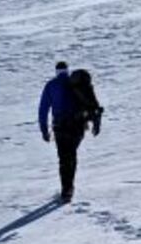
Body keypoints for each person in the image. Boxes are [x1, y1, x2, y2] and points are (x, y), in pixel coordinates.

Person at [38, 61, 104, 203]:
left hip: (60, 127)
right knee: (71, 156)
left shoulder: (51, 85)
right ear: (68, 71)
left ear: (56, 71)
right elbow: (89, 102)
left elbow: (43, 110)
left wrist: (44, 130)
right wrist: (95, 122)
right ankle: (69, 188)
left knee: (64, 159)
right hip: (78, 127)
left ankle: (66, 189)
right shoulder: (75, 84)